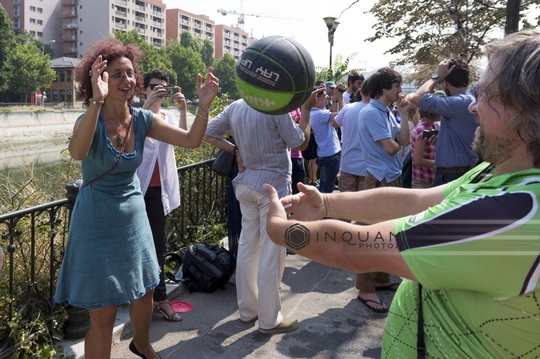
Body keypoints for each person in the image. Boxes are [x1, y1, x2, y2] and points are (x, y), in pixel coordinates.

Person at [262, 30, 540, 358]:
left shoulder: (514, 215)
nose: (472, 107)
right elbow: (412, 200)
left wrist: (281, 231)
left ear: (524, 112)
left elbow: (350, 248)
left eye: (484, 92)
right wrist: (325, 202)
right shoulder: (502, 174)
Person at [53, 38, 219, 359]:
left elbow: (192, 140)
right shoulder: (91, 119)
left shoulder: (142, 119)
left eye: (130, 74)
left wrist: (203, 107)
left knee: (144, 292)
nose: (126, 80)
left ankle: (141, 344)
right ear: (99, 78)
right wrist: (96, 103)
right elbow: (77, 152)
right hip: (96, 224)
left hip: (134, 219)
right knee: (103, 315)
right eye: (116, 74)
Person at [203, 88, 322, 335]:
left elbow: (207, 132)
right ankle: (269, 320)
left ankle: (248, 311)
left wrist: (235, 150)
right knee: (271, 252)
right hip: (273, 189)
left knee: (248, 247)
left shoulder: (235, 106)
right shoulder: (275, 107)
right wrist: (307, 110)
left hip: (246, 184)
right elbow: (299, 141)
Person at [355, 67, 410, 312]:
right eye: (396, 86)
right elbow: (391, 147)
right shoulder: (371, 113)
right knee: (370, 237)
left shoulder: (386, 111)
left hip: (390, 177)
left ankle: (381, 279)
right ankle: (365, 289)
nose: (400, 90)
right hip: (379, 179)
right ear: (383, 88)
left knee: (389, 234)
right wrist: (396, 142)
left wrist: (405, 115)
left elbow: (404, 141)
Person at [136, 69, 188, 323]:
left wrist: (183, 109)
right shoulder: (133, 115)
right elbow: (129, 139)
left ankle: (160, 298)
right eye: (153, 86)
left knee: (158, 248)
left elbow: (187, 139)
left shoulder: (166, 118)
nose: (158, 90)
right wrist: (148, 106)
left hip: (159, 192)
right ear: (144, 89)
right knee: (133, 247)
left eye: (163, 87)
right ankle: (137, 297)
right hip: (135, 191)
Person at [408, 57, 478, 185]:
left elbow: (416, 98)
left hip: (453, 176)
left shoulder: (459, 102)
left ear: (444, 82)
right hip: (461, 172)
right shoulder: (471, 99)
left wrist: (436, 77)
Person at [310, 87, 343, 193]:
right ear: (317, 99)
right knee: (327, 190)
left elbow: (331, 111)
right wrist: (340, 98)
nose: (327, 96)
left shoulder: (316, 112)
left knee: (325, 185)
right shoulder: (319, 114)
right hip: (330, 155)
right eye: (325, 95)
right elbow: (342, 115)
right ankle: (323, 209)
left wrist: (336, 99)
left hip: (325, 154)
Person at [411, 107, 441, 188]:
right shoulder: (422, 129)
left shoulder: (433, 127)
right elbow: (418, 160)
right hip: (422, 181)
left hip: (429, 179)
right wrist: (440, 163)